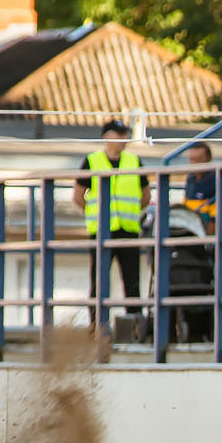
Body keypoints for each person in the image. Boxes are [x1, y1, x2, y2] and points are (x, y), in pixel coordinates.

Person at [72, 119, 145, 315]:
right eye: (119, 134)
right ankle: (97, 328)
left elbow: (145, 196)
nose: (124, 139)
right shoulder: (92, 161)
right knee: (99, 282)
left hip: (128, 230)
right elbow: (78, 196)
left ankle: (134, 328)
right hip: (102, 231)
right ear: (106, 136)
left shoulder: (134, 161)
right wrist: (95, 214)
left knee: (132, 283)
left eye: (125, 135)